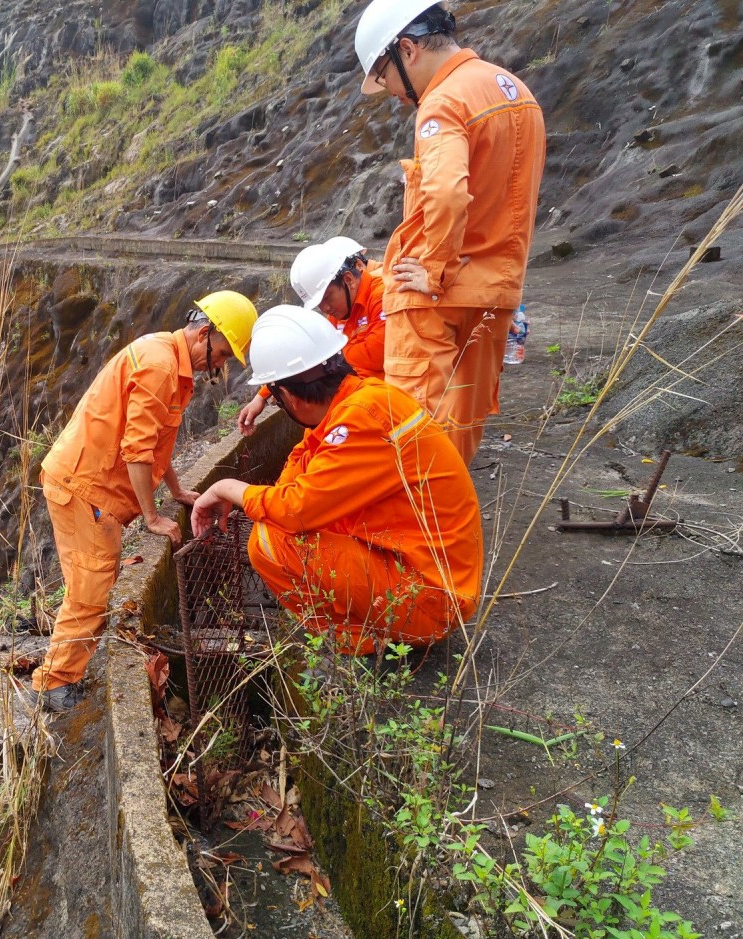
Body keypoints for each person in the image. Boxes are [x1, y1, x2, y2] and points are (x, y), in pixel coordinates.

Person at [193, 305, 482, 656]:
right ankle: (365, 627)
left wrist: (226, 488)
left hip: (428, 600)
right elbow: (298, 471)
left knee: (270, 542)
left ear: (290, 397)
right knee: (289, 522)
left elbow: (295, 510)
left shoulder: (360, 422)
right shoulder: (360, 400)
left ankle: (354, 641)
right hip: (426, 576)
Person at [33, 291, 259, 712]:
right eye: (222, 353)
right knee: (89, 591)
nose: (219, 365)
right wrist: (153, 517)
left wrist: (174, 490)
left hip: (88, 483)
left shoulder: (167, 358)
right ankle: (53, 684)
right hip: (86, 488)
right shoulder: (159, 367)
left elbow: (157, 442)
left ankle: (62, 672)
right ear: (204, 334)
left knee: (94, 584)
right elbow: (137, 451)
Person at [355, 0, 546, 463]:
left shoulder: (443, 102)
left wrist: (435, 269)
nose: (393, 93)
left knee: (418, 441)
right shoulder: (517, 92)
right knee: (459, 434)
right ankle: (448, 530)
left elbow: (445, 193)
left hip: (434, 304)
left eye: (385, 76)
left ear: (407, 49)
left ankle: (421, 532)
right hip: (492, 296)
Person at [237, 237, 386, 435]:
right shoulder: (339, 313)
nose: (325, 308)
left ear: (348, 279)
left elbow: (377, 353)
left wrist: (333, 356)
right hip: (355, 403)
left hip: (381, 409)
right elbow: (317, 355)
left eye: (326, 298)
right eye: (319, 304)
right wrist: (263, 395)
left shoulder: (383, 295)